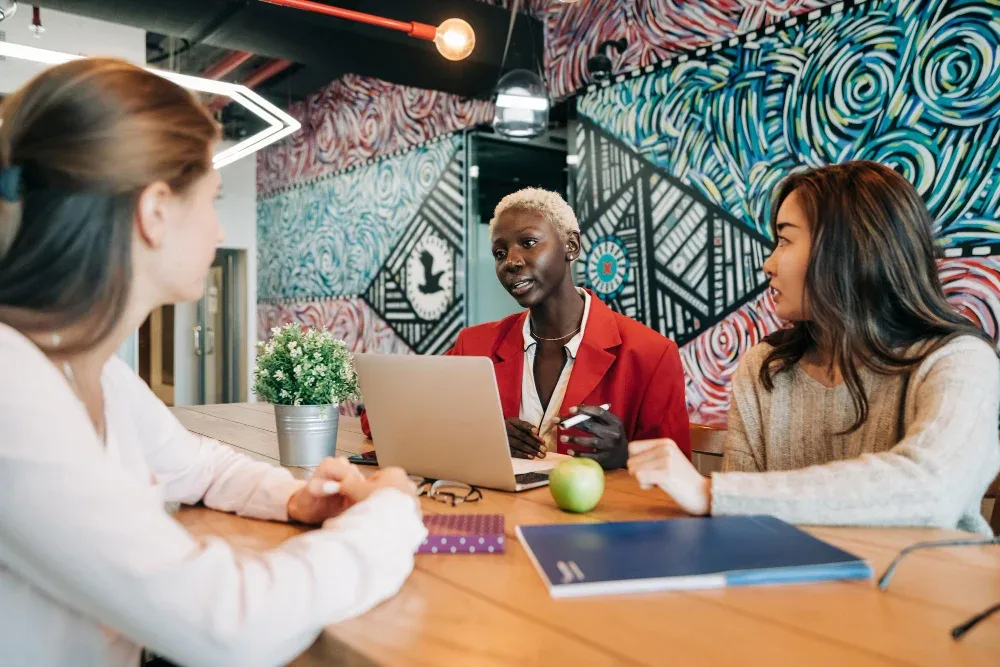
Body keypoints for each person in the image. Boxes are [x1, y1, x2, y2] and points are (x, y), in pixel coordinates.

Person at [0, 59, 427, 667]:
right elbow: (227, 625)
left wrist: (294, 498)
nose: (219, 225)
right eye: (212, 198)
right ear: (155, 213)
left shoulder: (91, 374)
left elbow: (194, 464)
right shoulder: (11, 390)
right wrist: (389, 515)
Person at [626, 161, 1000, 534]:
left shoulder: (958, 361)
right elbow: (742, 530)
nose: (768, 264)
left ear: (851, 248)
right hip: (797, 587)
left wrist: (710, 493)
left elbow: (932, 490)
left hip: (929, 588)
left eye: (785, 240)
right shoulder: (765, 369)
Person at [363, 187, 690, 468]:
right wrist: (480, 435)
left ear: (571, 247)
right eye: (500, 252)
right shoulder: (475, 344)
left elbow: (676, 481)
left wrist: (625, 456)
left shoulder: (650, 354)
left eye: (528, 242)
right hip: (498, 520)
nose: (511, 261)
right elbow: (380, 421)